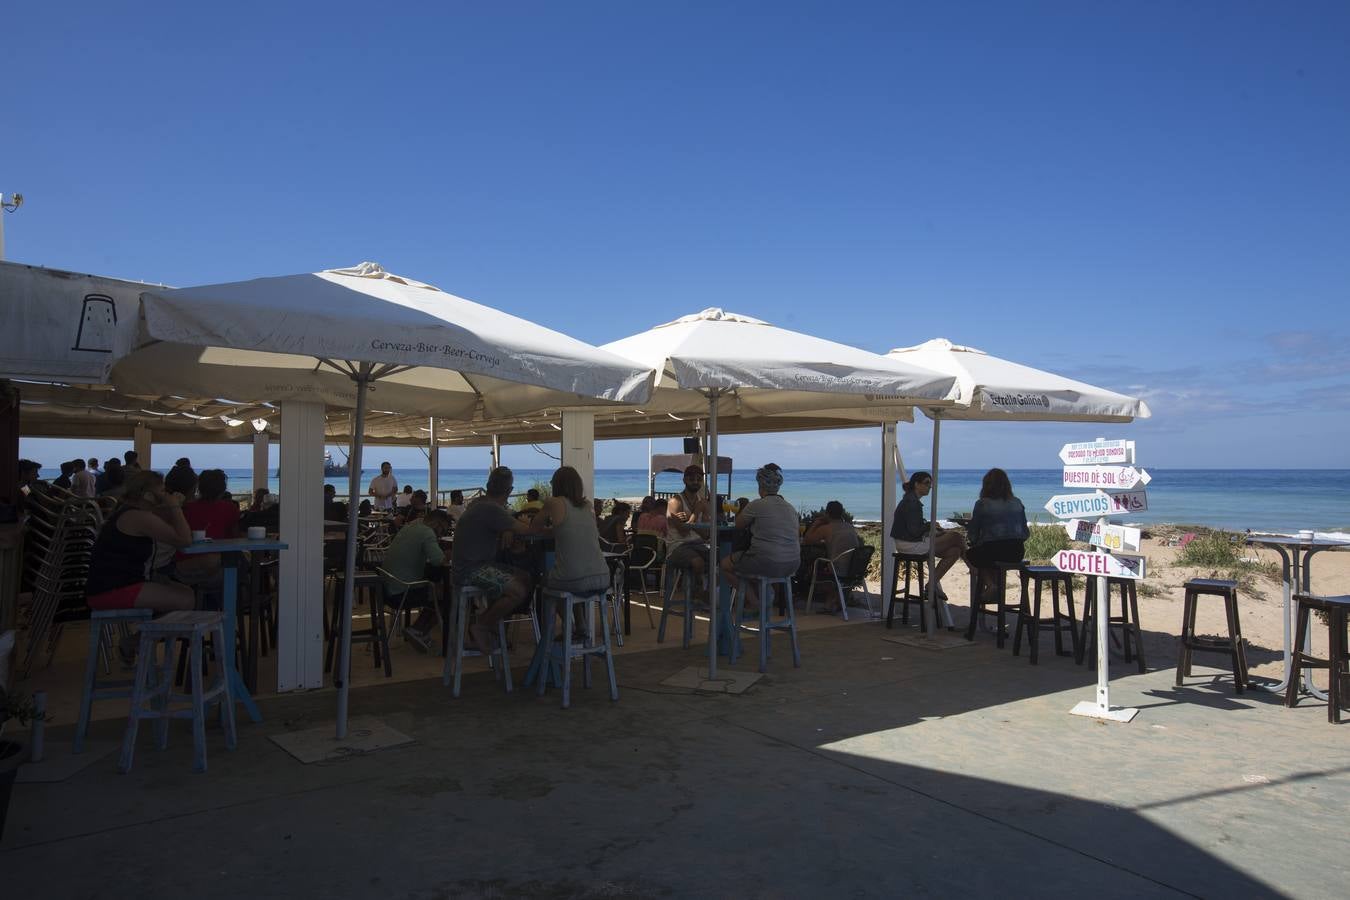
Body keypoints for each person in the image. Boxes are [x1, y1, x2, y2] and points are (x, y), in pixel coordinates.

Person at [84, 469, 195, 612]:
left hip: (112, 585)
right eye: (162, 491)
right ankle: (152, 634)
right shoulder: (137, 517)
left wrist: (172, 506)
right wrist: (175, 507)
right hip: (112, 590)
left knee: (186, 592)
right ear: (149, 496)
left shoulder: (130, 511)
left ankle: (158, 632)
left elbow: (163, 522)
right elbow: (184, 540)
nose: (166, 495)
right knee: (185, 599)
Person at [451, 467, 535, 656]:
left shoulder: (481, 504)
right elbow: (527, 530)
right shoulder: (490, 509)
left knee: (526, 577)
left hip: (468, 566)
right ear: (510, 491)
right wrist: (553, 529)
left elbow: (506, 520)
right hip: (470, 571)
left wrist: (508, 528)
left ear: (488, 486)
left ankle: (497, 625)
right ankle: (482, 625)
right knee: (518, 591)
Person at [721, 464, 800, 609]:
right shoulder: (790, 507)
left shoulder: (756, 505)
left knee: (725, 565)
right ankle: (764, 596)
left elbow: (737, 525)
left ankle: (754, 602)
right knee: (752, 563)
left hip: (767, 562)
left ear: (760, 486)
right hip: (792, 563)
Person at [381, 508, 452, 651]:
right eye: (443, 530)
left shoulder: (413, 525)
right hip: (402, 592)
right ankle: (419, 630)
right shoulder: (427, 533)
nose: (442, 534)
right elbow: (439, 561)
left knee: (435, 585)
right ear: (437, 524)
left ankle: (420, 630)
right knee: (447, 594)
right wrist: (451, 553)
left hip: (386, 588)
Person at [534, 465, 610, 596]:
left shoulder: (553, 502)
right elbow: (569, 529)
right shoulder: (587, 505)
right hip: (603, 576)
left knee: (541, 582)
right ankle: (578, 617)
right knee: (571, 589)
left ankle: (562, 617)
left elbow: (533, 528)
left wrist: (523, 522)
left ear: (556, 484)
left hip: (573, 579)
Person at [890, 471, 965, 601]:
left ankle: (931, 584)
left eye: (930, 483)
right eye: (926, 483)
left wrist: (931, 530)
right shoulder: (912, 503)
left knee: (955, 551)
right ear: (916, 484)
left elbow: (914, 529)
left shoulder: (911, 500)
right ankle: (973, 567)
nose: (929, 486)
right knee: (956, 537)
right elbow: (915, 531)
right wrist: (929, 526)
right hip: (910, 545)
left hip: (908, 542)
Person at [965, 468, 1030, 602]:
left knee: (972, 554)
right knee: (989, 555)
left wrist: (975, 538)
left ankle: (991, 585)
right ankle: (995, 590)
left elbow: (973, 536)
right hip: (1016, 553)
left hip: (993, 552)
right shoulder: (1017, 502)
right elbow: (1025, 533)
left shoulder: (982, 504)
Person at [800, 501, 863, 611]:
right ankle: (834, 601)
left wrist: (816, 523)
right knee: (828, 565)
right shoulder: (849, 526)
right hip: (854, 569)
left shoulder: (827, 528)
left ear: (827, 513)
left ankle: (829, 602)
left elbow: (807, 540)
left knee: (812, 568)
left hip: (837, 570)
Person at [664, 465, 710, 589]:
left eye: (699, 479)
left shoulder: (704, 502)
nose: (695, 482)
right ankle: (698, 592)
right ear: (684, 480)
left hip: (698, 544)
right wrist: (695, 514)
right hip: (677, 545)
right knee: (697, 562)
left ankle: (711, 593)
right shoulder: (675, 502)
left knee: (720, 558)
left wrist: (689, 520)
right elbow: (683, 532)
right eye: (692, 479)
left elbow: (706, 534)